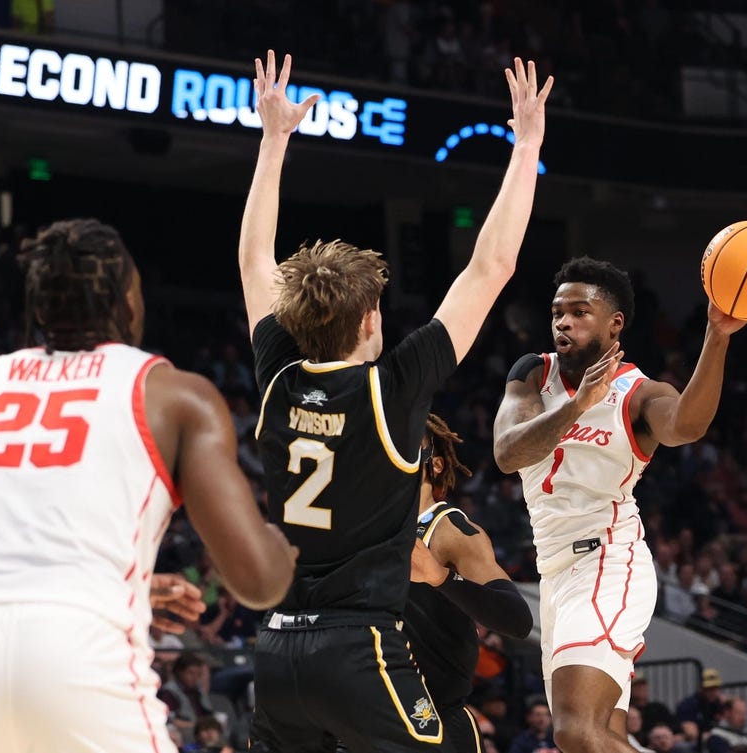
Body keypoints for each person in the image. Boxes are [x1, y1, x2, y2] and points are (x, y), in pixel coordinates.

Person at [0, 218, 296, 753]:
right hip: (78, 653)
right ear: (128, 299)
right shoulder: (173, 395)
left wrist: (131, 588)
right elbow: (257, 582)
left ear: (41, 306)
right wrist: (286, 544)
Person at [240, 50, 551, 753]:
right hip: (356, 649)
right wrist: (526, 145)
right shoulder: (393, 386)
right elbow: (490, 266)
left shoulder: (278, 379)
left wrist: (273, 140)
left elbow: (255, 263)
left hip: (275, 650)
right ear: (371, 321)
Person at [493, 255, 747, 753]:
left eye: (579, 312)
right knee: (605, 735)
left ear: (615, 324)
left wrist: (717, 336)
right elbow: (508, 452)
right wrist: (576, 406)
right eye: (557, 311)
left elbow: (687, 426)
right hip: (554, 574)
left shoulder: (637, 393)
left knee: (573, 731)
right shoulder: (531, 374)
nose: (563, 321)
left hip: (607, 562)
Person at [400, 414, 534, 751]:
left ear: (436, 464)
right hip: (367, 712)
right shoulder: (366, 531)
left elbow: (517, 619)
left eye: (407, 447)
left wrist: (440, 577)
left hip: (434, 718)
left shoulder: (451, 531)